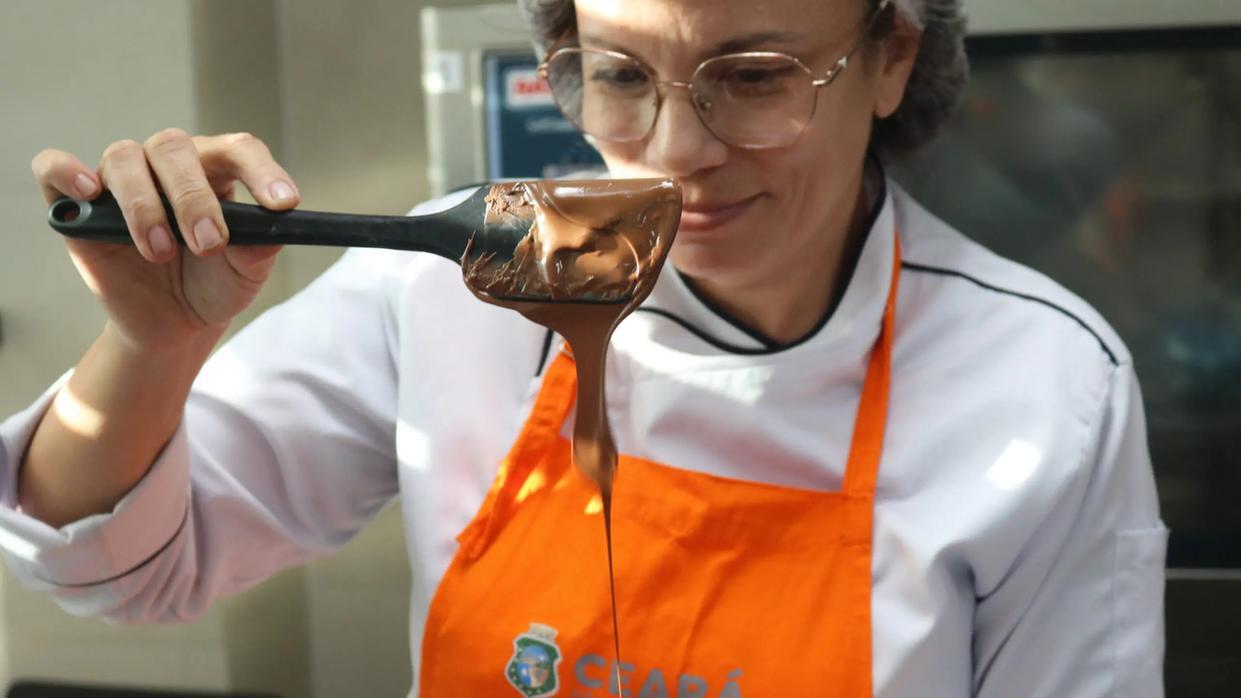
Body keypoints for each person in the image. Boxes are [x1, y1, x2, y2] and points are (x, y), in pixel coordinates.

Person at [2, 0, 1166, 695]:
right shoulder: (459, 281)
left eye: (753, 77)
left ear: (891, 56)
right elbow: (116, 568)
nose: (674, 152)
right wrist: (153, 344)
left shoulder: (1040, 382)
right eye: (618, 76)